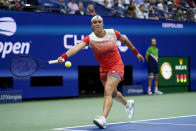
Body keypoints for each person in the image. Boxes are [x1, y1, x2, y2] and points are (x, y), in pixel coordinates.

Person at [57, 15, 144, 129]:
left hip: (116, 65)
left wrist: (136, 53)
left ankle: (103, 119)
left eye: (99, 22)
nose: (97, 24)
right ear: (91, 26)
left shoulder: (113, 33)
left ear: (103, 24)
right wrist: (63, 57)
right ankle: (128, 104)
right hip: (103, 68)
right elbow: (76, 47)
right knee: (112, 93)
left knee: (108, 91)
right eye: (94, 22)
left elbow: (125, 40)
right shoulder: (90, 38)